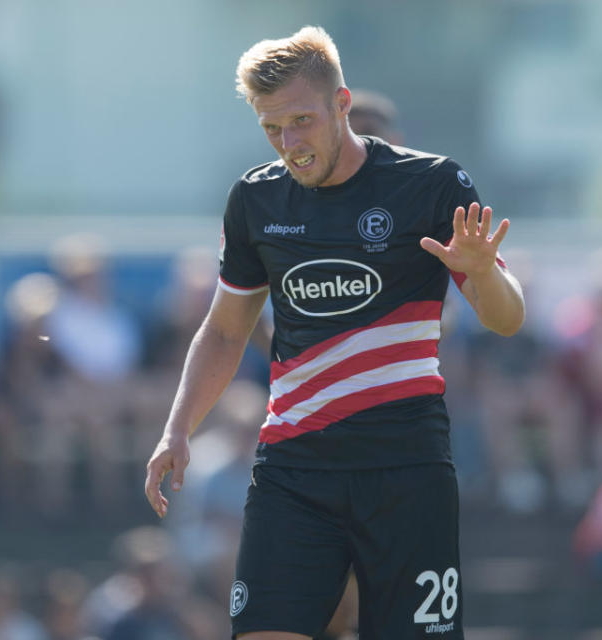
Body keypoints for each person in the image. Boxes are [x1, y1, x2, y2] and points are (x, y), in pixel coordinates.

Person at [145, 26, 525, 640]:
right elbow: (223, 330)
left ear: (341, 104)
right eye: (272, 128)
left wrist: (482, 270)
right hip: (294, 472)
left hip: (406, 470)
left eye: (301, 120)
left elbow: (507, 319)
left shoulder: (431, 185)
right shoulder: (255, 200)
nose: (289, 144)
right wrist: (177, 427)